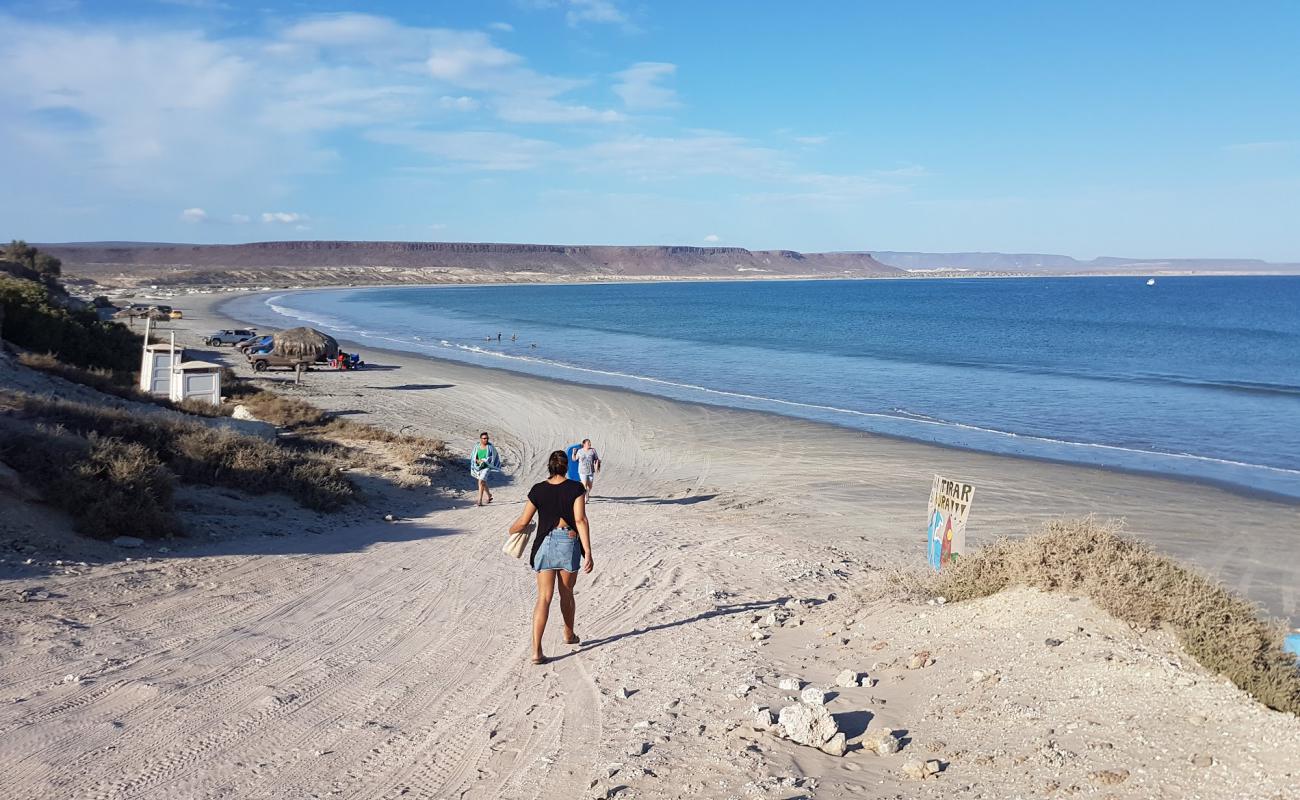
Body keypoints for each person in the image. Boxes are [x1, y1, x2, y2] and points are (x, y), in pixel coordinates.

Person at [508, 450, 593, 665]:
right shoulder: (576, 488)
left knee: (544, 598)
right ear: (566, 467)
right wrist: (588, 552)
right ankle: (568, 634)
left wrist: (512, 530)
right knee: (566, 594)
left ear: (549, 466)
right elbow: (580, 520)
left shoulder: (538, 490)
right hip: (568, 542)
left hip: (544, 544)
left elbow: (523, 520)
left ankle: (536, 651)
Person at [469, 432, 501, 506]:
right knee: (483, 482)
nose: (486, 440)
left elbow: (494, 456)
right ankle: (489, 495)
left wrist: (485, 460)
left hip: (487, 466)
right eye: (484, 438)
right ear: (481, 439)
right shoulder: (477, 446)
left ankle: (479, 501)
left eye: (487, 438)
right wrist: (477, 461)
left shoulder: (490, 447)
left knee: (480, 482)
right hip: (478, 466)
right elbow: (474, 456)